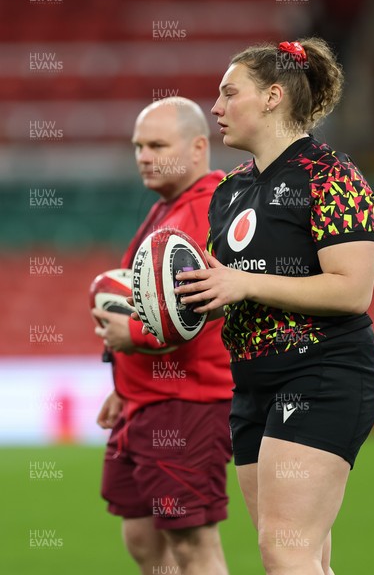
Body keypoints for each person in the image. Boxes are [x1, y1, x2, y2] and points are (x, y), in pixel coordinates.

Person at [172, 39, 374, 575]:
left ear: (271, 96)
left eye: (228, 93)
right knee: (302, 557)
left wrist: (243, 281)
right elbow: (238, 288)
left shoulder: (332, 175)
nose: (215, 108)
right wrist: (197, 300)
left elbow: (351, 291)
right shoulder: (230, 190)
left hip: (322, 373)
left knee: (283, 552)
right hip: (252, 385)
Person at [92, 98, 233, 575]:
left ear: (198, 147)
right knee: (142, 537)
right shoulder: (167, 210)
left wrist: (131, 334)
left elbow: (202, 309)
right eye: (137, 146)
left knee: (192, 544)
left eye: (157, 145)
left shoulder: (208, 209)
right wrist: (122, 387)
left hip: (186, 401)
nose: (143, 156)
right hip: (146, 399)